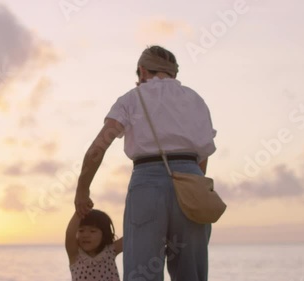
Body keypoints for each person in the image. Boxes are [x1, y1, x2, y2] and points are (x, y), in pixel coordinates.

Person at [74, 45, 217, 281]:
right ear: (174, 73)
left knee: (142, 274)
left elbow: (97, 149)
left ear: (142, 71)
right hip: (193, 181)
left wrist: (82, 189)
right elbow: (204, 155)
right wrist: (192, 190)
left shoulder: (131, 99)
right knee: (191, 274)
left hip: (147, 184)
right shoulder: (195, 100)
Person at [65, 209, 123, 281]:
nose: (85, 235)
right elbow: (70, 235)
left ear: (104, 234)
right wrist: (79, 212)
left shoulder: (110, 251)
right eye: (81, 230)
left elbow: (132, 236)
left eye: (92, 231)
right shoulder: (75, 255)